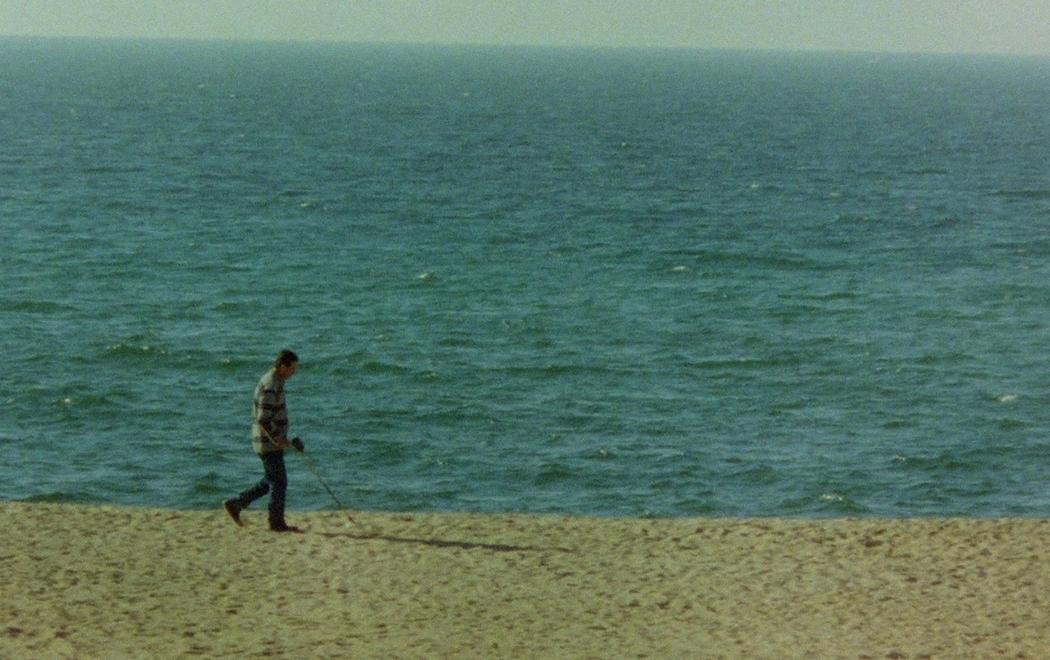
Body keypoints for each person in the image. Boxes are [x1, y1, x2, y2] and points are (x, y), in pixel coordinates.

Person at [224, 349, 305, 532]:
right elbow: (264, 420)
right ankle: (276, 523)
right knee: (280, 481)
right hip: (267, 442)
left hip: (268, 441)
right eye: (292, 368)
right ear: (283, 366)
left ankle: (236, 504)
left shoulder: (277, 381)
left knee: (271, 480)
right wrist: (279, 439)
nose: (294, 373)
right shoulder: (271, 385)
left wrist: (286, 439)